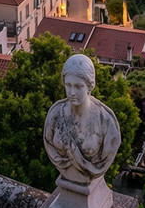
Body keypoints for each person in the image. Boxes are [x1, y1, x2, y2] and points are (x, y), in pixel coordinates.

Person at [43, 54, 121, 186]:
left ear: (90, 86)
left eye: (78, 86)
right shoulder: (55, 114)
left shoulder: (106, 121)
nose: (72, 92)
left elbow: (106, 157)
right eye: (68, 85)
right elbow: (49, 142)